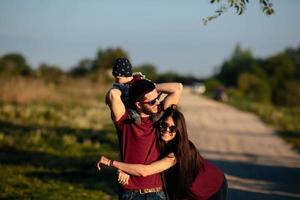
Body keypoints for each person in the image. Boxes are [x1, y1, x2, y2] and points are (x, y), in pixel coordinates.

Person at [98, 106, 228, 200]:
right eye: (164, 125)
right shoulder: (158, 139)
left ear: (179, 131)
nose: (167, 130)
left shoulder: (178, 152)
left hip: (213, 187)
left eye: (172, 128)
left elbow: (145, 171)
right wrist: (123, 169)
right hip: (188, 190)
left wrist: (111, 163)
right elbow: (134, 153)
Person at [105, 69, 183, 200]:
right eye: (152, 101)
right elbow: (113, 94)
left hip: (159, 193)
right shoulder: (124, 120)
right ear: (138, 104)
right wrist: (129, 88)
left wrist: (150, 87)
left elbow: (178, 88)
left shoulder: (161, 117)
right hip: (131, 194)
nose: (157, 102)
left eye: (157, 98)